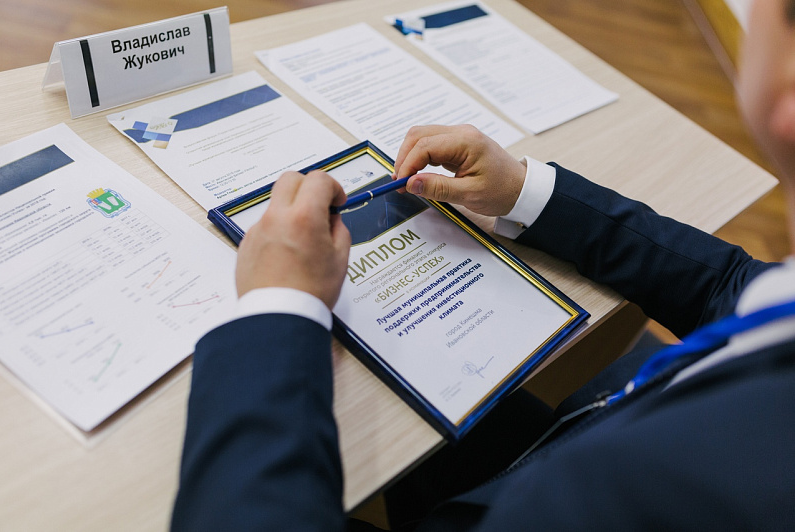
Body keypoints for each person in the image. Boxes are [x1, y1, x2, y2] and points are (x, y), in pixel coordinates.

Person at [170, 0, 795, 529]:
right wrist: (524, 190)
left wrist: (278, 307)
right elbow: (732, 285)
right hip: (583, 428)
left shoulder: (700, 490)